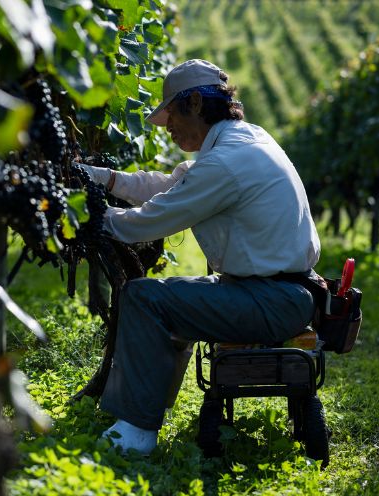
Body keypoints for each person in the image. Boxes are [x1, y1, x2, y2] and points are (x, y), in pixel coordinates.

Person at [78, 59, 320, 454]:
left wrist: (83, 214)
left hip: (268, 300)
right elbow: (174, 185)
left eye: (171, 114)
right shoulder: (245, 140)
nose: (168, 127)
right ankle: (148, 407)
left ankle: (135, 433)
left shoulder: (225, 162)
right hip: (280, 292)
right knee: (170, 295)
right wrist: (104, 179)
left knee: (143, 297)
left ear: (194, 103)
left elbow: (149, 220)